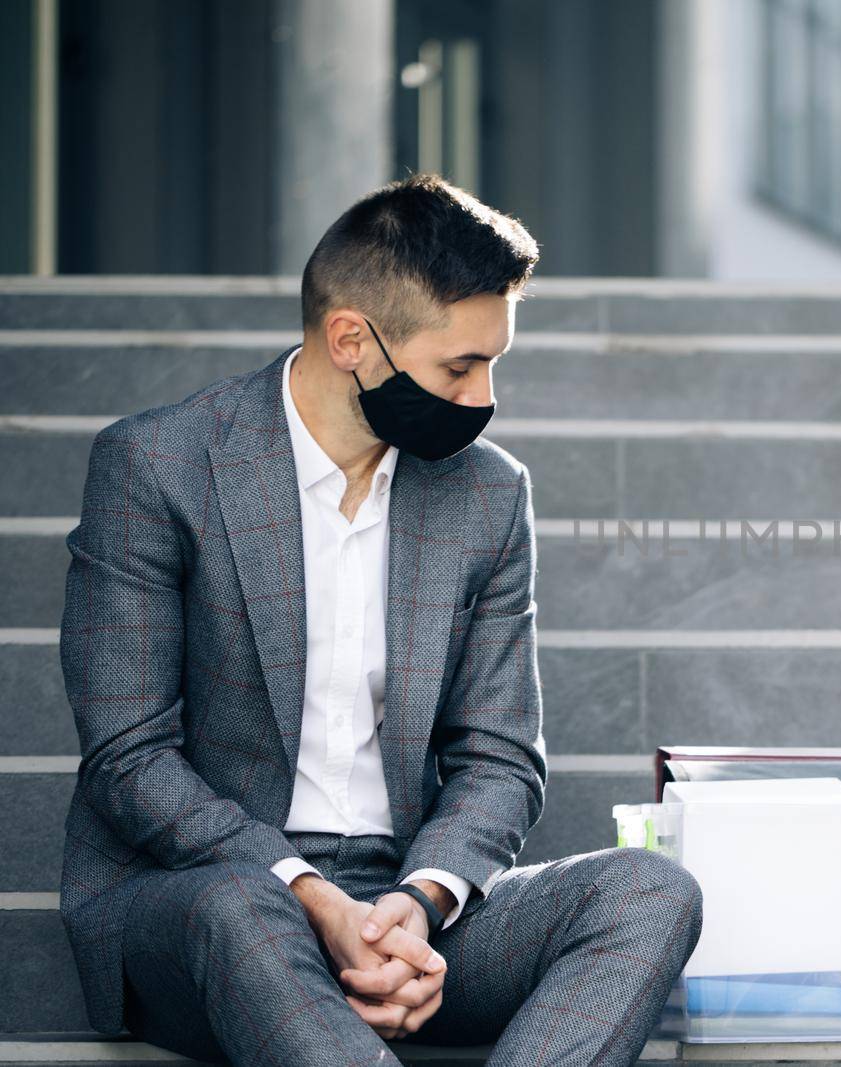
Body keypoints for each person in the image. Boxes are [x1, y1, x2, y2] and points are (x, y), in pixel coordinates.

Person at [57, 173, 703, 1066]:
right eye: (459, 366)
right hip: (208, 901)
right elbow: (129, 758)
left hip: (404, 907)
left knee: (648, 889)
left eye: (493, 364)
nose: (481, 399)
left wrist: (421, 901)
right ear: (351, 338)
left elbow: (500, 754)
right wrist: (313, 894)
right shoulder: (160, 465)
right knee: (242, 905)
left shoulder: (487, 493)